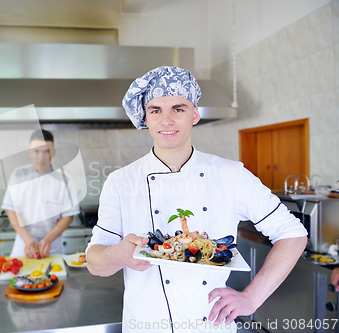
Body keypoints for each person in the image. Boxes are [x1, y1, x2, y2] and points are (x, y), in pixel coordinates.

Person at [86, 66, 308, 333]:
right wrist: (117, 254)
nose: (166, 120)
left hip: (211, 327)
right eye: (156, 110)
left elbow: (293, 234)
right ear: (146, 117)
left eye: (178, 109)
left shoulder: (230, 174)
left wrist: (252, 297)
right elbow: (95, 262)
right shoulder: (121, 181)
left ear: (195, 115)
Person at [2, 129, 79, 258]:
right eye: (36, 151)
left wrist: (48, 239)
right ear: (29, 152)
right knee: (19, 277)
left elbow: (68, 216)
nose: (41, 158)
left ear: (53, 153)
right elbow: (12, 211)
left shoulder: (65, 180)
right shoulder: (18, 175)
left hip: (51, 245)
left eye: (46, 151)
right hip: (24, 244)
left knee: (53, 277)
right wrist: (28, 240)